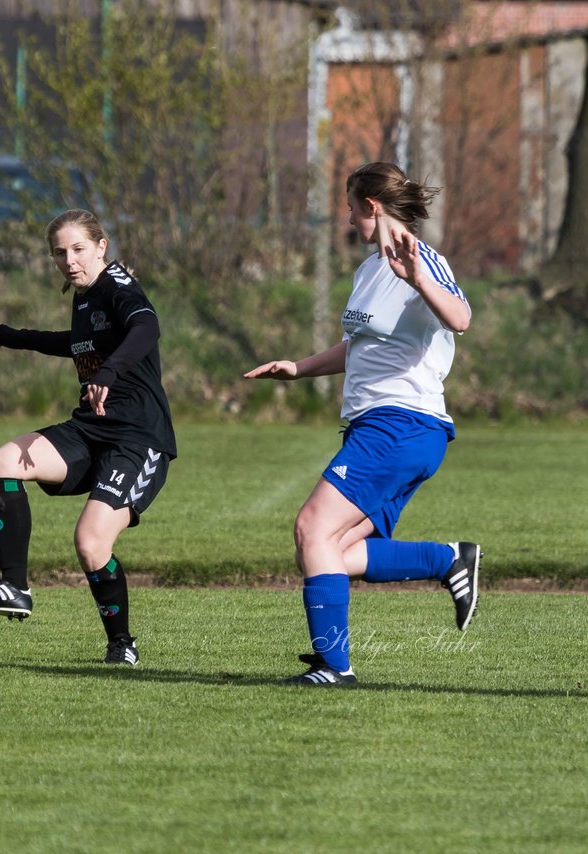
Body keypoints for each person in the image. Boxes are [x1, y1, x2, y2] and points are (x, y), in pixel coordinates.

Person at [244, 161, 481, 687]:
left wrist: (419, 278)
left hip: (402, 424)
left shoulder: (422, 260)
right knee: (333, 551)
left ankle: (335, 666)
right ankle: (448, 560)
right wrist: (300, 368)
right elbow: (362, 346)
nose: (348, 220)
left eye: (352, 209)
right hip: (379, 428)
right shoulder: (369, 270)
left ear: (372, 207)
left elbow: (460, 318)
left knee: (311, 528)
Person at [0, 208, 177, 666]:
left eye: (78, 249)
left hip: (138, 440)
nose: (69, 259)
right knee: (5, 460)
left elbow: (146, 326)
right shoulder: (84, 296)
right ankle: (14, 587)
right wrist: (12, 337)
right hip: (89, 428)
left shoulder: (117, 287)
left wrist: (111, 373)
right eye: (60, 252)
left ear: (101, 246)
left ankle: (122, 645)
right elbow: (76, 343)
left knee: (91, 543)